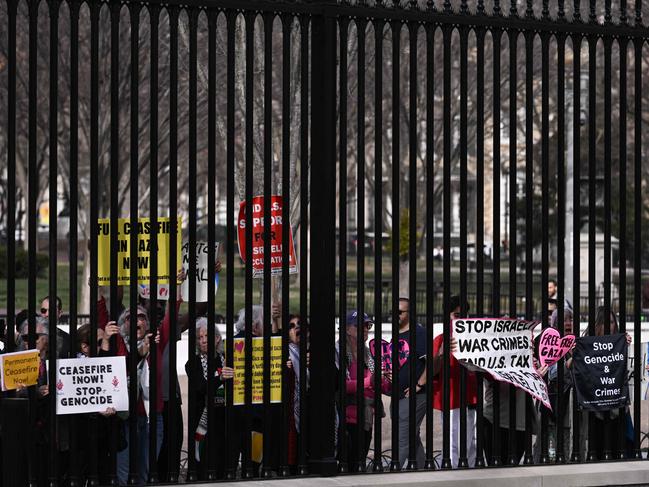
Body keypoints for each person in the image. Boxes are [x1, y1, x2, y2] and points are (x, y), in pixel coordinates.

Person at [336, 311, 390, 471]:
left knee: (359, 465)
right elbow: (340, 386)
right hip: (346, 418)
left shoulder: (369, 353)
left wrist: (388, 381)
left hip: (366, 417)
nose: (366, 329)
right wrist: (369, 382)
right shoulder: (338, 352)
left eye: (368, 325)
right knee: (349, 465)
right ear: (346, 329)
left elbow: (381, 386)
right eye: (360, 325)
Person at [432, 295, 478, 468]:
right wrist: (442, 353)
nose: (462, 319)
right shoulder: (441, 339)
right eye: (457, 315)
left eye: (464, 315)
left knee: (470, 442)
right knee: (452, 442)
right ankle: (452, 474)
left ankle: (469, 475)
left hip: (471, 396)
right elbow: (432, 371)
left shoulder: (476, 337)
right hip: (451, 398)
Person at [185, 318, 233, 479]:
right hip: (202, 418)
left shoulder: (226, 359)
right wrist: (220, 377)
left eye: (207, 336)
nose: (204, 340)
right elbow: (201, 387)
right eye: (200, 337)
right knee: (202, 460)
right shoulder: (192, 363)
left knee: (222, 459)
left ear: (217, 338)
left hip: (224, 417)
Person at [392, 297, 427, 469]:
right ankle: (423, 468)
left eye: (399, 312)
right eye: (393, 311)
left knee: (403, 435)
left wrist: (418, 385)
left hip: (415, 395)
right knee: (411, 436)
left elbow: (433, 362)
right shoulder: (396, 334)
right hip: (397, 394)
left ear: (409, 314)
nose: (395, 315)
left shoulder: (419, 334)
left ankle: (393, 470)